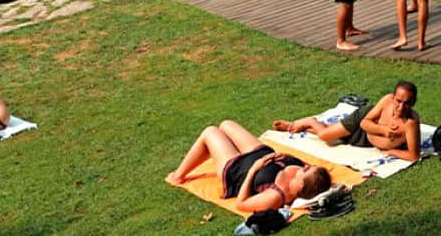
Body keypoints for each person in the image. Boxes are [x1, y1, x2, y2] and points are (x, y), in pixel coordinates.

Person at [166, 120, 332, 212]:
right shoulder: (300, 174)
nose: (306, 166)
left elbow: (242, 204)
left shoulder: (275, 196)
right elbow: (313, 170)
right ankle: (217, 148)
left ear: (301, 184)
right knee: (226, 125)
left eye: (307, 170)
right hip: (260, 153)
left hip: (238, 169)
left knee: (211, 131)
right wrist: (287, 156)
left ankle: (178, 175)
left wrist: (253, 170)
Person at [270, 81, 422, 162]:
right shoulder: (387, 100)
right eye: (398, 101)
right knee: (326, 136)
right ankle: (311, 121)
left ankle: (300, 127)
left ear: (413, 103)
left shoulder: (410, 123)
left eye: (406, 103)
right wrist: (384, 131)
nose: (401, 107)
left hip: (367, 140)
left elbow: (413, 155)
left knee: (335, 135)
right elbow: (364, 122)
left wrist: (390, 151)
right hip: (362, 119)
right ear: (393, 97)